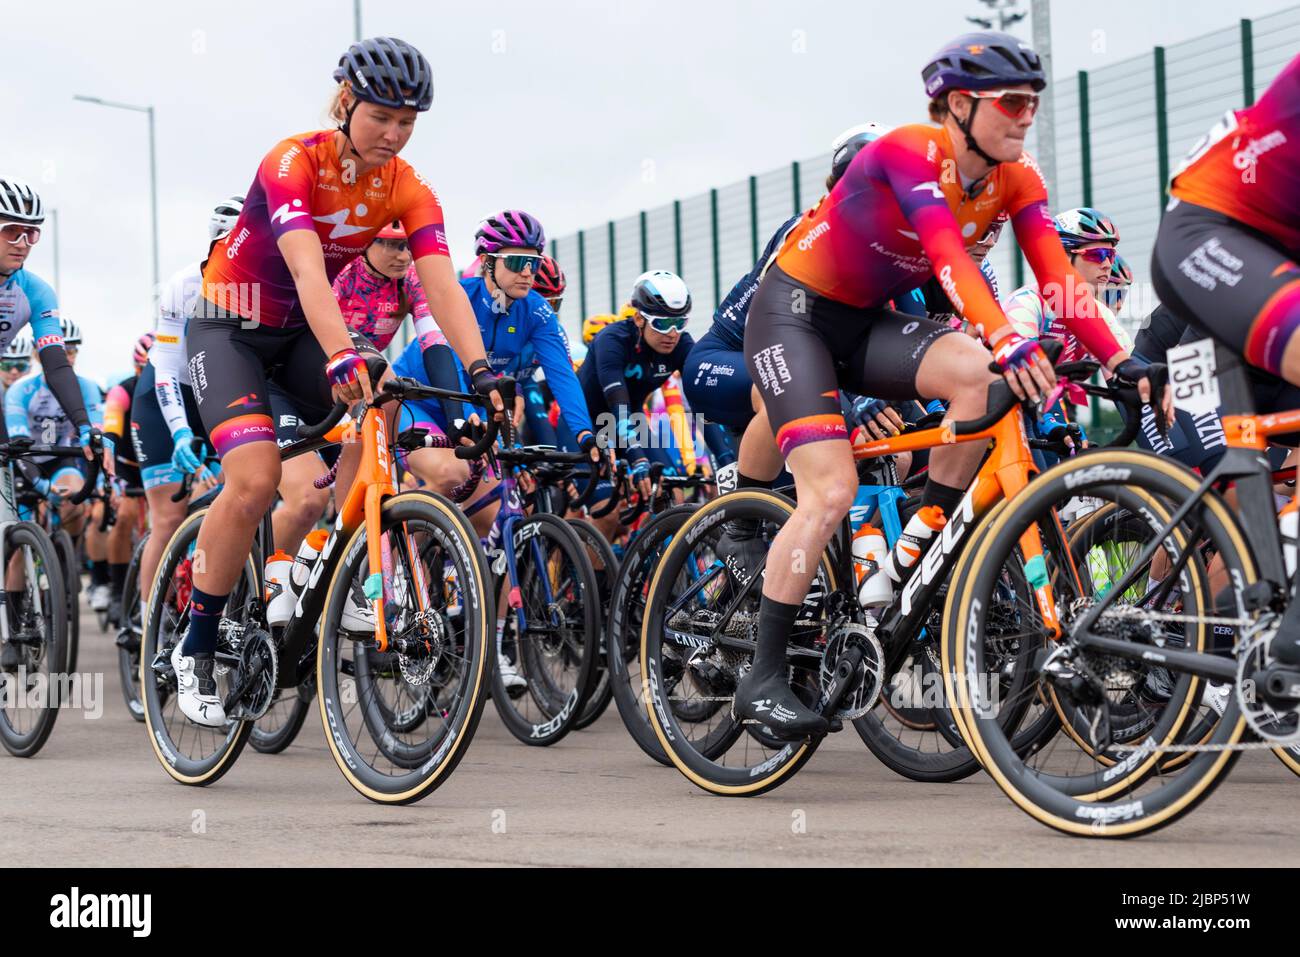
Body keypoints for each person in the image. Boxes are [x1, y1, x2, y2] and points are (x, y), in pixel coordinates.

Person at [726, 32, 1166, 737]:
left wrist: (1120, 360)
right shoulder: (908, 153)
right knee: (832, 490)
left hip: (866, 319)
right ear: (961, 106)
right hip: (792, 317)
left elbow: (1057, 277)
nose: (1028, 116)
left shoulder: (1017, 178)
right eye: (1013, 102)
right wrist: (1008, 334)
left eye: (1034, 103)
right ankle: (763, 675)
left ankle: (921, 544)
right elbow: (948, 259)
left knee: (984, 381)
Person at [175, 37, 510, 727]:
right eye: (382, 116)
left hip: (298, 331)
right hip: (228, 326)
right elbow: (304, 271)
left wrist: (482, 378)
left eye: (408, 122)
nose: (394, 134)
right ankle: (195, 642)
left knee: (383, 397)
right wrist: (339, 353)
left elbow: (443, 289)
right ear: (346, 101)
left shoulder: (407, 187)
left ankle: (329, 557)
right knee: (256, 480)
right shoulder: (292, 161)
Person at [391, 210, 599, 535]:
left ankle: (462, 577)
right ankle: (392, 558)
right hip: (420, 402)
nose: (528, 273)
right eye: (517, 262)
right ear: (488, 261)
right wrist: (476, 419)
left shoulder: (537, 309)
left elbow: (562, 375)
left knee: (497, 526)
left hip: (473, 405)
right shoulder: (460, 298)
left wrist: (585, 434)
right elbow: (458, 367)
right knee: (448, 473)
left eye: (535, 263)